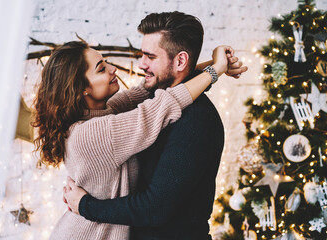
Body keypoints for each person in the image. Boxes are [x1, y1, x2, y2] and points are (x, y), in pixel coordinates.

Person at [64, 11, 248, 240]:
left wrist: (85, 205)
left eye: (150, 56)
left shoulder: (197, 121)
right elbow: (164, 97)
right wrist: (214, 69)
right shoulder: (105, 123)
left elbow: (154, 208)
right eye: (101, 68)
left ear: (180, 61)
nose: (141, 64)